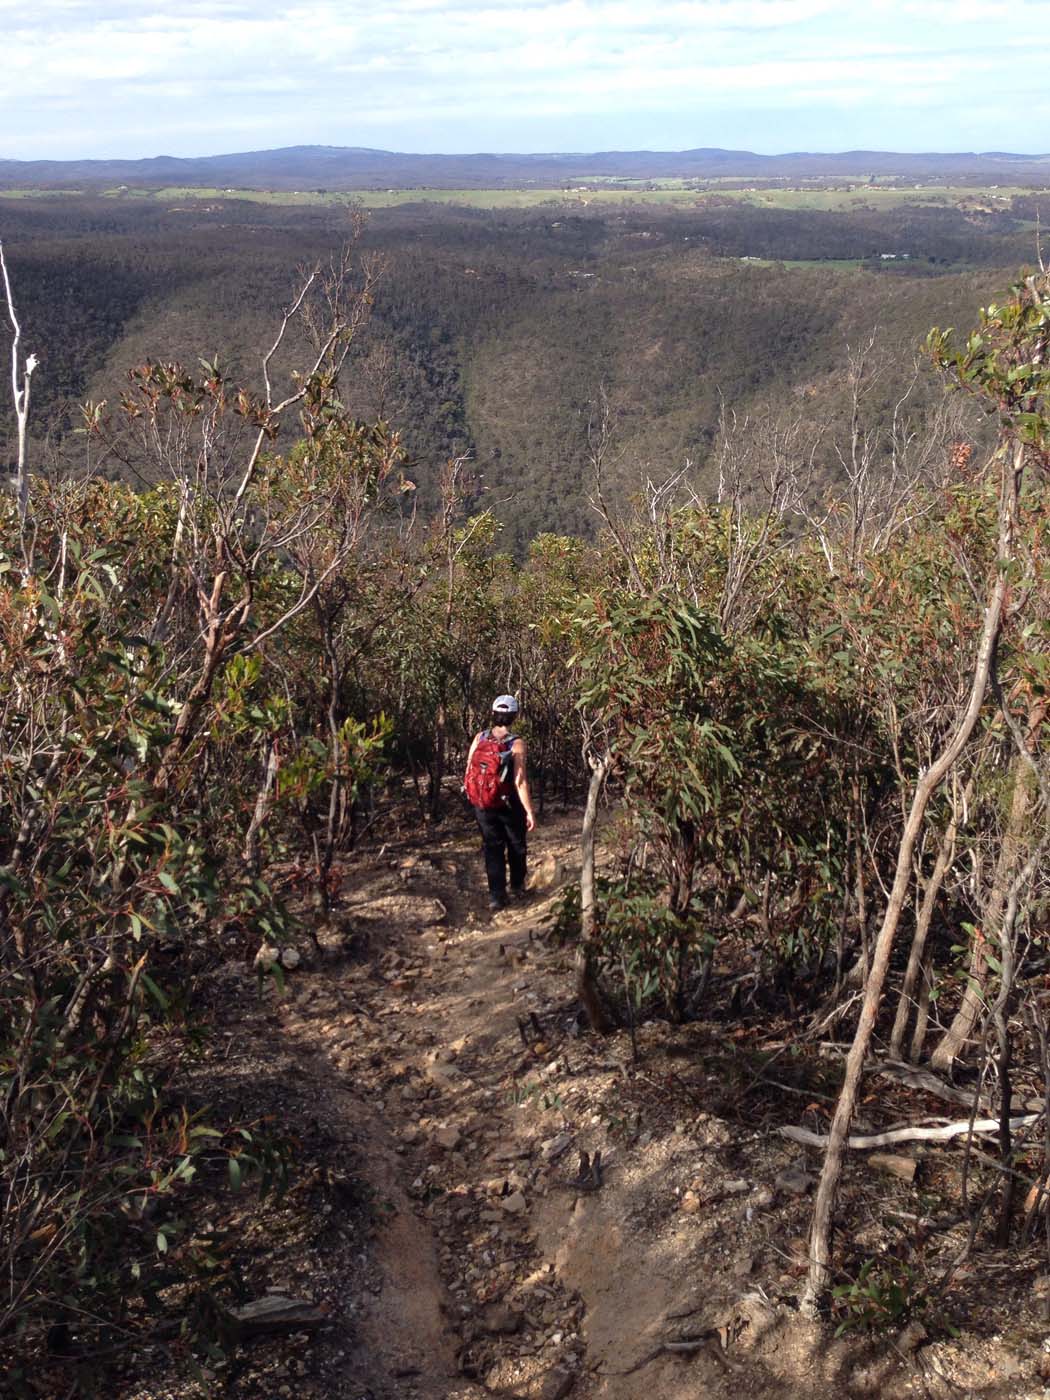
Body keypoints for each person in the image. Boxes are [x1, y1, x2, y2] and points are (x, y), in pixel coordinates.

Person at [465, 694, 536, 911]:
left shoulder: (480, 738)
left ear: (493, 714)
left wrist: (475, 796)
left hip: (483, 803)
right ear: (514, 716)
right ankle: (517, 886)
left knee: (492, 848)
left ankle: (497, 896)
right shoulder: (516, 743)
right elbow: (520, 781)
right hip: (507, 803)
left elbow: (469, 768)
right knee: (516, 844)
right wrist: (529, 811)